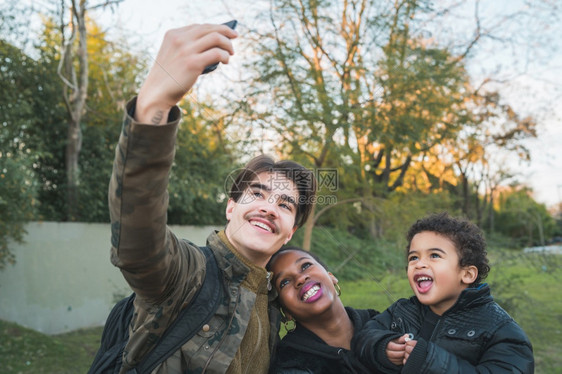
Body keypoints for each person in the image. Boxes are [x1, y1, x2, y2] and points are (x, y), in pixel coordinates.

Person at [103, 23, 317, 373]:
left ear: (290, 230)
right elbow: (137, 237)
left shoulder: (277, 302)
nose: (268, 206)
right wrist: (155, 104)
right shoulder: (184, 273)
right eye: (257, 194)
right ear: (231, 206)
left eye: (285, 204)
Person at [352, 212, 534, 373]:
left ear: (467, 274)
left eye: (435, 255)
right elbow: (363, 337)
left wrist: (431, 364)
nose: (419, 264)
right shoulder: (402, 311)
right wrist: (382, 347)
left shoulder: (500, 330)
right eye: (413, 257)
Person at [266, 246, 378, 373]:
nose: (300, 279)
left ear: (331, 277)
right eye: (284, 282)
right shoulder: (289, 363)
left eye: (305, 266)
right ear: (286, 313)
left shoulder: (383, 322)